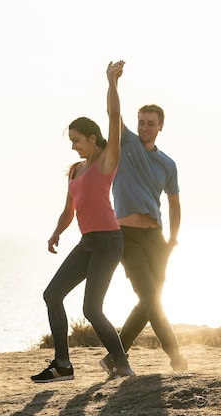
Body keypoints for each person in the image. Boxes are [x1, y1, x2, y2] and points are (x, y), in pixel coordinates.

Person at [31, 61, 136, 383]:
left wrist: (112, 83)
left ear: (93, 139)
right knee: (52, 295)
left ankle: (122, 365)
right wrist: (55, 233)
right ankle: (62, 364)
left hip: (108, 241)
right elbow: (69, 209)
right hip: (86, 242)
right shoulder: (75, 169)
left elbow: (114, 118)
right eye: (72, 141)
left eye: (77, 140)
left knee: (92, 309)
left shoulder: (107, 160)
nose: (74, 145)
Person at [97, 96, 187, 376]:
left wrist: (172, 239)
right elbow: (114, 115)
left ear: (161, 126)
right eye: (141, 123)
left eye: (151, 123)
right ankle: (176, 357)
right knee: (151, 298)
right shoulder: (126, 144)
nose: (145, 127)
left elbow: (174, 203)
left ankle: (114, 356)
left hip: (156, 238)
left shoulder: (167, 164)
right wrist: (112, 83)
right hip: (127, 236)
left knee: (150, 299)